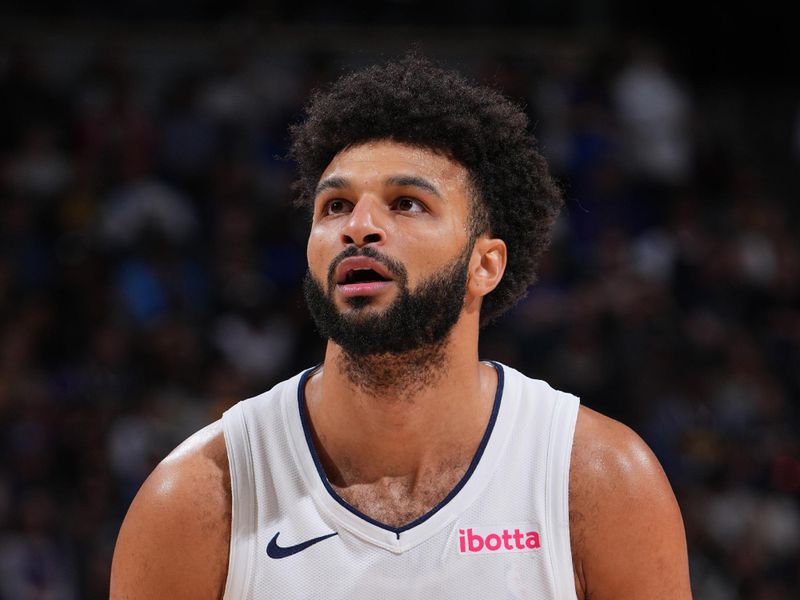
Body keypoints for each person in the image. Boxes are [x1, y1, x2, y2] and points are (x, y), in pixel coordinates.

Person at [110, 54, 692, 599]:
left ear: (484, 264)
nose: (359, 226)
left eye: (407, 202)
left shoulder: (599, 481)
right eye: (334, 206)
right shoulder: (197, 497)